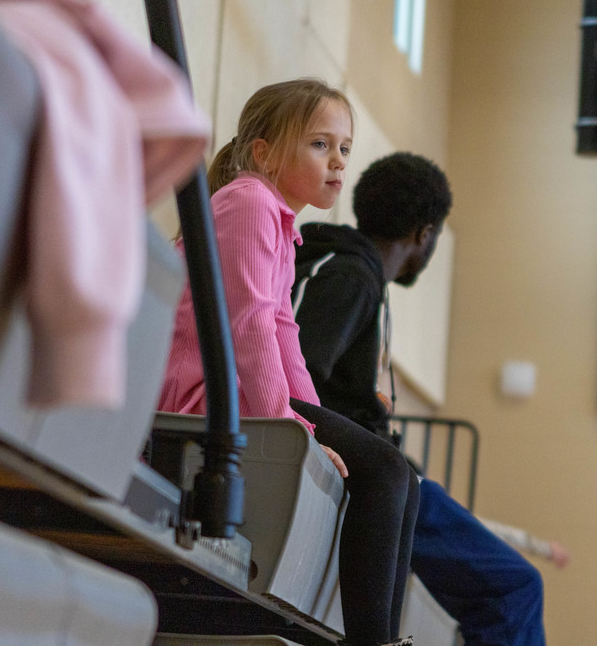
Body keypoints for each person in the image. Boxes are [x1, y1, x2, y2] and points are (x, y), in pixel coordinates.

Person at [157, 79, 419, 646]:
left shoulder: (277, 220)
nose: (337, 163)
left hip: (232, 385)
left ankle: (378, 638)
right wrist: (289, 425)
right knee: (387, 472)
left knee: (398, 475)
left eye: (345, 149)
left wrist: (312, 419)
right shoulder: (248, 201)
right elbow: (249, 325)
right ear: (265, 153)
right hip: (202, 392)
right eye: (320, 145)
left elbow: (283, 330)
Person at [293, 151, 565, 646]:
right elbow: (297, 374)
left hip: (381, 473)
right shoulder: (350, 276)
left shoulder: (342, 265)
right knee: (516, 589)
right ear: (425, 233)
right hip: (364, 476)